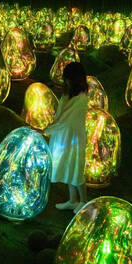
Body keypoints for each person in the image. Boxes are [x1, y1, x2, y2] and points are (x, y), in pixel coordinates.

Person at [44, 62, 90, 213]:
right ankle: (73, 200)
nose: (65, 82)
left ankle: (83, 202)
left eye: (68, 79)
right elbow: (60, 116)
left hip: (74, 138)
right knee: (69, 168)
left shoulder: (80, 98)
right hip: (63, 137)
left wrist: (46, 130)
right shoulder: (68, 95)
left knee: (76, 169)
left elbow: (65, 119)